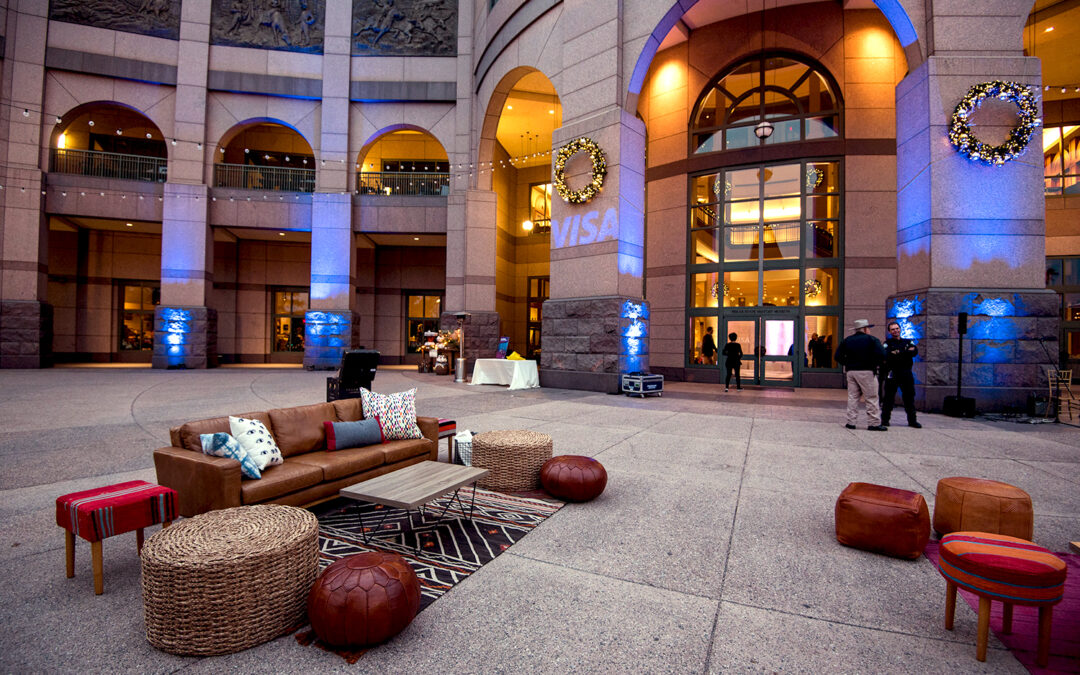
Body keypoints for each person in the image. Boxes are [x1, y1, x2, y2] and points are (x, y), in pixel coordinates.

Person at [834, 319, 886, 430]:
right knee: (871, 397)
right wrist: (875, 364)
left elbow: (837, 356)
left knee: (853, 397)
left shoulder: (847, 340)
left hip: (851, 371)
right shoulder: (872, 340)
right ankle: (874, 423)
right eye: (869, 328)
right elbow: (882, 354)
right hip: (867, 371)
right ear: (865, 329)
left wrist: (847, 363)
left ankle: (851, 422)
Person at [881, 320, 921, 428]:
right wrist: (904, 352)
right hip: (892, 373)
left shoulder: (908, 342)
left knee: (909, 398)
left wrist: (898, 353)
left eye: (897, 328)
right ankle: (885, 421)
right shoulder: (887, 344)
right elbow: (887, 356)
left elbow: (914, 352)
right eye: (893, 329)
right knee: (888, 398)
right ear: (889, 331)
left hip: (906, 373)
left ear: (900, 329)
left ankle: (912, 421)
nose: (895, 331)